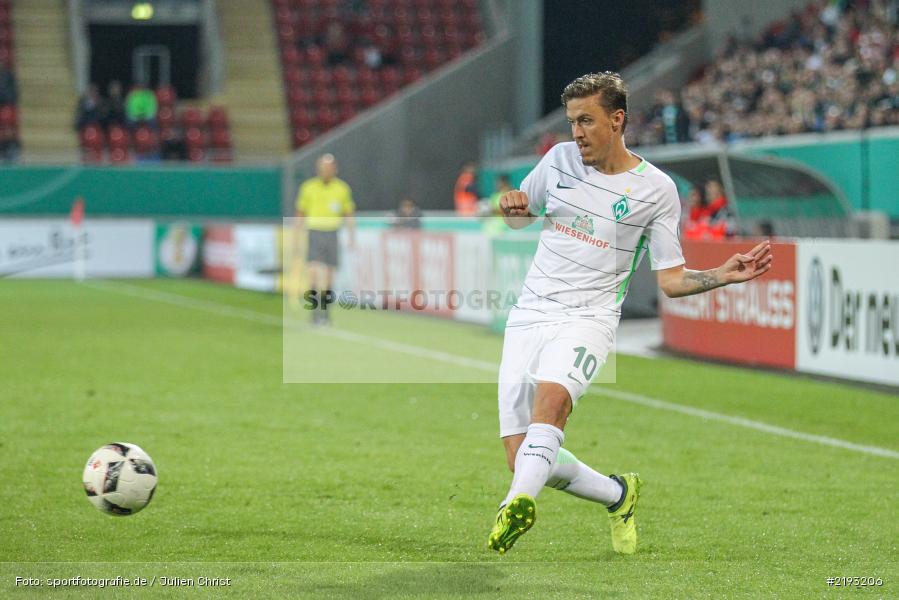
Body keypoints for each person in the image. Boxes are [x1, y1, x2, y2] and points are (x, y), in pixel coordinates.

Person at [488, 72, 772, 556]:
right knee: (523, 456)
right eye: (572, 121)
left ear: (617, 120)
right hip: (530, 313)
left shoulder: (656, 190)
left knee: (551, 407)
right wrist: (509, 205)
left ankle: (513, 507)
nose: (576, 132)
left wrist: (722, 274)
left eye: (586, 121)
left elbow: (671, 279)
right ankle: (618, 494)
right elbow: (521, 214)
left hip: (589, 320)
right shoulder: (556, 161)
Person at [295, 153, 356, 326]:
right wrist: (297, 235)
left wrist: (352, 235)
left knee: (329, 274)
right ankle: (315, 311)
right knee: (313, 271)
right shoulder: (308, 187)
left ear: (334, 169)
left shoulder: (342, 189)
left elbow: (348, 213)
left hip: (332, 232)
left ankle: (326, 311)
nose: (326, 171)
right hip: (314, 231)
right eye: (323, 168)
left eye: (329, 168)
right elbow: (300, 212)